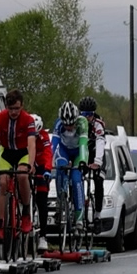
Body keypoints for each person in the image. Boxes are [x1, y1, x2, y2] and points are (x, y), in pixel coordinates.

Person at [0, 89, 44, 250]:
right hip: (6, 152)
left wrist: (30, 164)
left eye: (17, 108)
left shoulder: (28, 120)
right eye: (10, 108)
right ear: (6, 107)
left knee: (22, 176)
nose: (13, 112)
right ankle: (0, 225)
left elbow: (31, 145)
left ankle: (25, 212)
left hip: (22, 153)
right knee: (3, 183)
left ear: (22, 106)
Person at [52, 101, 90, 235]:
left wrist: (83, 161)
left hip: (78, 151)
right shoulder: (58, 124)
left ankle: (79, 217)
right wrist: (48, 162)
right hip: (64, 150)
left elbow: (83, 144)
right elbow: (53, 145)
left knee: (76, 178)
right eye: (65, 125)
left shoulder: (82, 122)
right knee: (59, 168)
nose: (68, 127)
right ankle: (60, 203)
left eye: (71, 124)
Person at [79, 97, 109, 223]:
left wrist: (97, 161)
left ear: (93, 114)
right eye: (84, 115)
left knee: (98, 180)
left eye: (89, 115)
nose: (87, 118)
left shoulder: (98, 124)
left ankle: (97, 214)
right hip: (83, 153)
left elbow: (100, 142)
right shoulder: (77, 122)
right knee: (75, 177)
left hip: (96, 154)